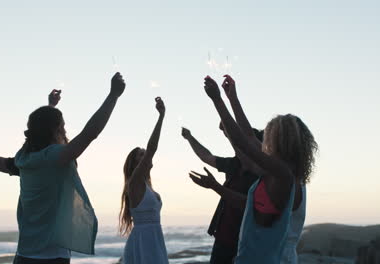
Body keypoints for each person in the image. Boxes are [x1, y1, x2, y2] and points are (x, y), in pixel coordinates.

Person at [0, 73, 126, 264]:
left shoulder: (23, 160)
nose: (65, 130)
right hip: (53, 256)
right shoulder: (56, 157)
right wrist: (113, 95)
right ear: (56, 130)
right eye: (62, 126)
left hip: (24, 255)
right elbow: (90, 133)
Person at [190, 74, 317, 264]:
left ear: (280, 141)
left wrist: (217, 100)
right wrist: (232, 98)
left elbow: (244, 141)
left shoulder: (282, 175)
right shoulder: (279, 173)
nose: (265, 141)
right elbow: (248, 136)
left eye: (270, 135)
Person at [182, 125, 261, 264]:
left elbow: (248, 203)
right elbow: (206, 156)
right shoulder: (234, 164)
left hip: (245, 241)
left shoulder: (261, 174)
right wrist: (189, 137)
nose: (237, 147)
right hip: (223, 238)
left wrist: (214, 186)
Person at [119, 97, 169, 264]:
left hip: (154, 238)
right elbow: (153, 148)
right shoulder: (134, 183)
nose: (146, 154)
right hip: (144, 241)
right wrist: (161, 116)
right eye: (142, 154)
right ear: (135, 163)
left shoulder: (147, 186)